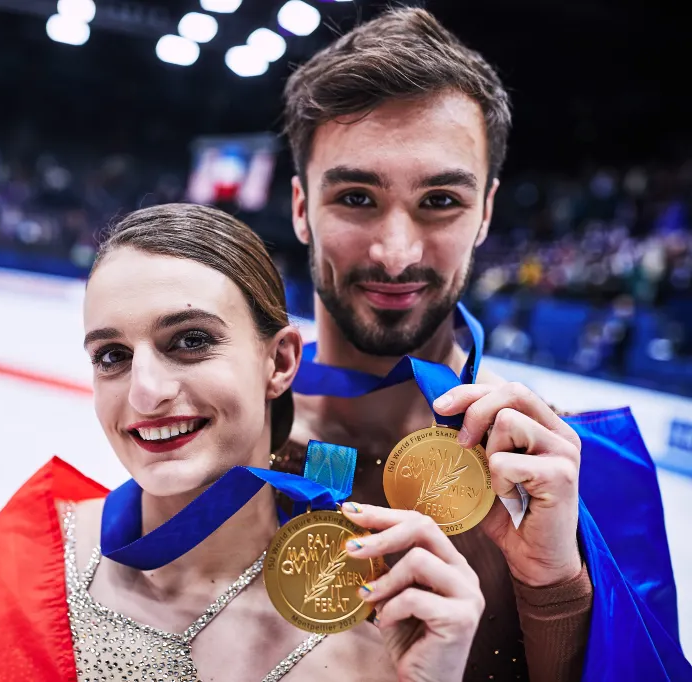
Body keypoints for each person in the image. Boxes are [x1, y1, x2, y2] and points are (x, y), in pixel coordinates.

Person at [0, 203, 488, 681]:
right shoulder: (33, 553)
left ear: (279, 361)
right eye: (112, 356)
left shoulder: (375, 641)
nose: (144, 393)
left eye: (190, 340)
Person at [277, 7, 688, 682]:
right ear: (300, 207)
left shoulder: (577, 477)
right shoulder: (226, 449)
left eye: (440, 201)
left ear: (487, 212)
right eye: (355, 197)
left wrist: (557, 590)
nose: (396, 252)